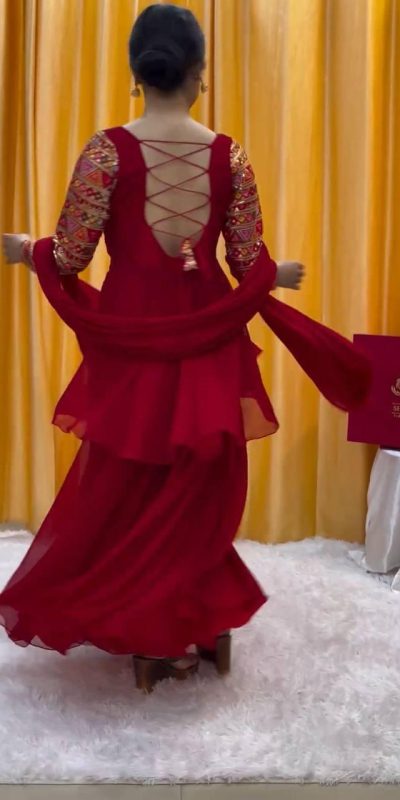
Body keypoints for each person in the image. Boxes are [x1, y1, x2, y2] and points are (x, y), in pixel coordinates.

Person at [1, 4, 370, 693]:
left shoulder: (105, 152)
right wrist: (274, 276)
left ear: (135, 72)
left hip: (133, 338)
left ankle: (153, 625)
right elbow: (247, 260)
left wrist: (28, 250)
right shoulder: (230, 155)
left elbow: (72, 255)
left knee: (131, 479)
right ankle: (195, 620)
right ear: (201, 72)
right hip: (206, 336)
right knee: (199, 483)